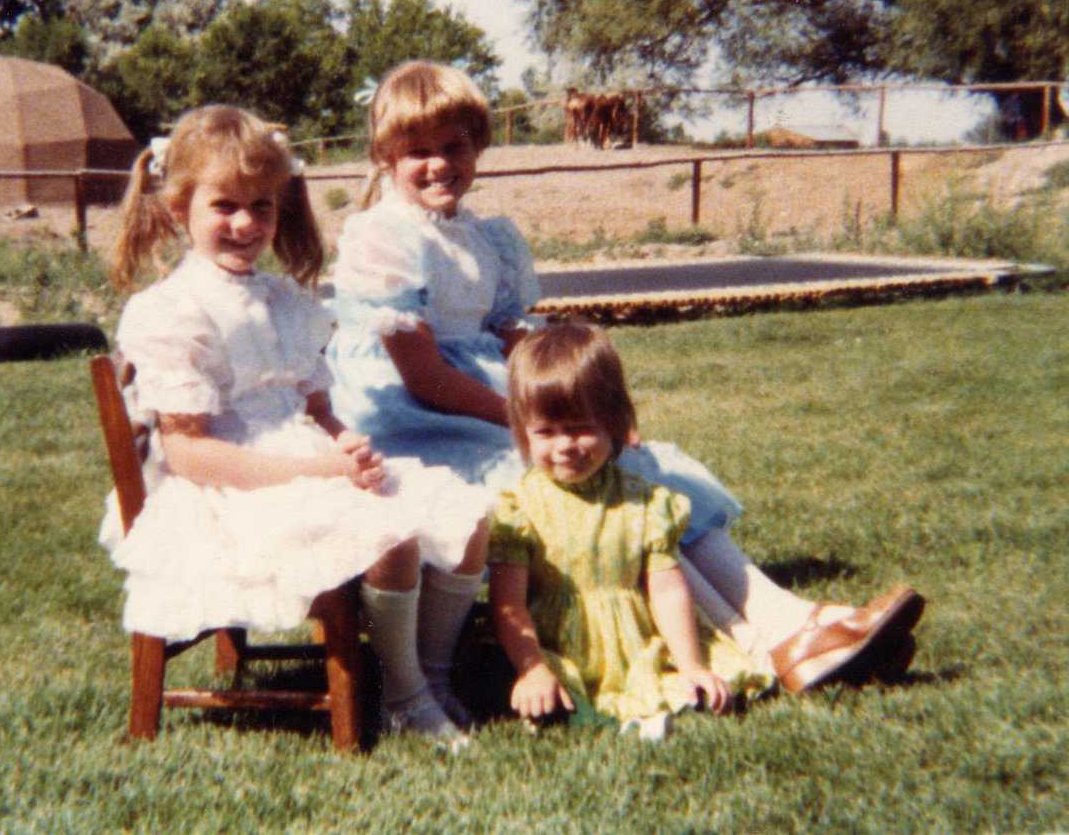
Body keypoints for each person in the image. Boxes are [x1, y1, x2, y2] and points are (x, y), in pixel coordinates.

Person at [325, 60, 924, 697]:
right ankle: (766, 638)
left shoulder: (483, 237)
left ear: (479, 146)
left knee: (639, 469)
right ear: (385, 157)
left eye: (456, 146)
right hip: (425, 424)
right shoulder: (383, 239)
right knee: (595, 483)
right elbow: (425, 380)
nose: (441, 165)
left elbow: (515, 336)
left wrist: (593, 406)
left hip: (501, 397)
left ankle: (784, 619)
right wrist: (530, 420)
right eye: (419, 152)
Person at [96, 105, 493, 748]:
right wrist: (320, 469)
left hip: (305, 461)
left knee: (465, 516)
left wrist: (344, 442)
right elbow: (193, 453)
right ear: (178, 211)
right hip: (225, 491)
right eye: (224, 206)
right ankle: (405, 693)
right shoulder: (171, 310)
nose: (246, 223)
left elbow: (315, 407)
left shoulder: (284, 300)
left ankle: (433, 676)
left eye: (262, 206)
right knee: (391, 537)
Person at [490, 323, 774, 738]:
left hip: (637, 640)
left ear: (615, 421)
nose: (565, 446)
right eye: (546, 432)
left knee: (694, 677)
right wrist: (532, 669)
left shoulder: (644, 501)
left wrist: (691, 663)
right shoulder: (519, 508)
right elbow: (508, 604)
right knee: (549, 690)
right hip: (558, 646)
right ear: (523, 431)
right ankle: (582, 712)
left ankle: (671, 701)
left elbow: (668, 590)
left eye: (581, 427)